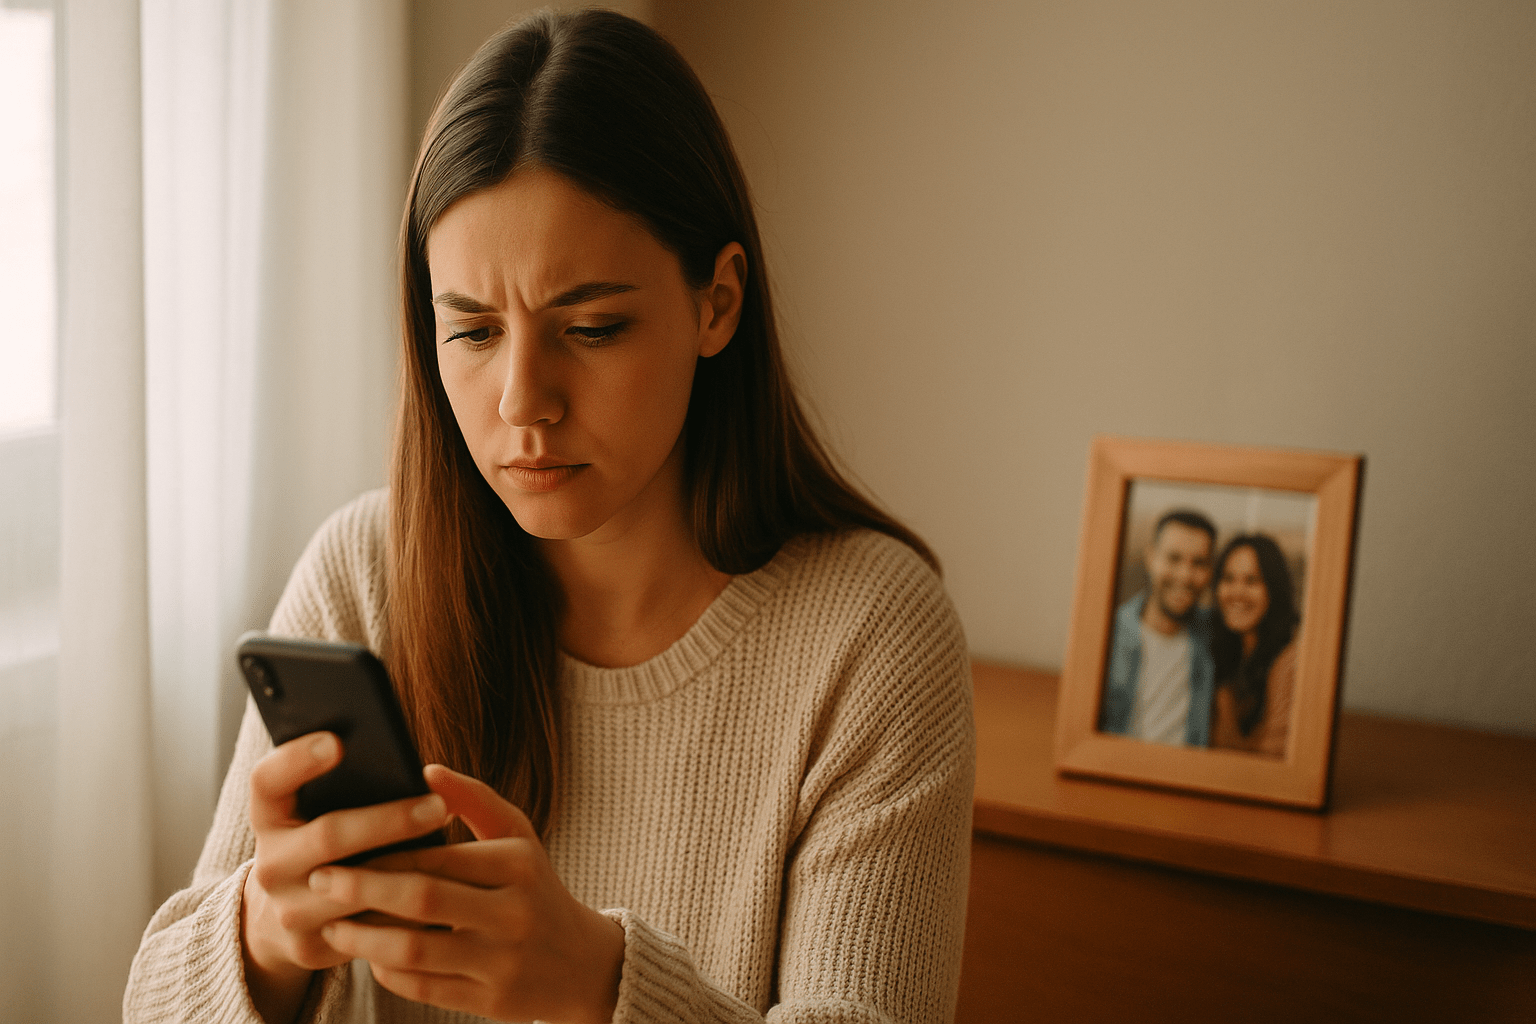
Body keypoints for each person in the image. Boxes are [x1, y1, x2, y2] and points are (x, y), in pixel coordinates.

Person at [123, 11, 973, 1024]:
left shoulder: (872, 635)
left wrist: (596, 986)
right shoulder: (366, 571)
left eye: (592, 326)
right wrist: (266, 932)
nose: (524, 399)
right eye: (473, 331)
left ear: (719, 301)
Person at [1098, 509, 1217, 747]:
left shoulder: (1214, 636)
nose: (1185, 575)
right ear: (1151, 558)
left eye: (1199, 563)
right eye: (1174, 559)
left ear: (1210, 572)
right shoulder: (1107, 635)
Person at [1209, 533, 1300, 757]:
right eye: (1228, 579)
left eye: (1252, 581)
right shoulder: (1226, 647)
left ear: (1274, 590)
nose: (1237, 592)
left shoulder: (1291, 661)